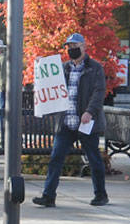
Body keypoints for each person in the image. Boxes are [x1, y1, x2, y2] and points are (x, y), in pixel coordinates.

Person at [32, 32, 109, 209]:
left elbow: (99, 92)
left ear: (84, 47)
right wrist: (40, 67)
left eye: (75, 46)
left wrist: (89, 112)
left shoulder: (95, 68)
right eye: (69, 47)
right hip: (66, 123)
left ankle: (101, 194)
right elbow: (50, 85)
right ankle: (48, 196)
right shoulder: (63, 68)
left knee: (94, 159)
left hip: (85, 123)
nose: (72, 49)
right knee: (56, 159)